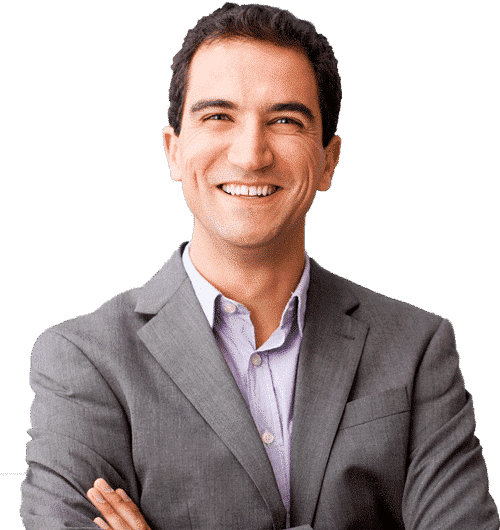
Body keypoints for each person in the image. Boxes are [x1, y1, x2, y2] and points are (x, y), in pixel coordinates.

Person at [21, 3, 499, 530]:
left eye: (285, 121)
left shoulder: (416, 348)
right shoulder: (85, 359)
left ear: (328, 160)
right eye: (218, 116)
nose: (251, 155)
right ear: (173, 151)